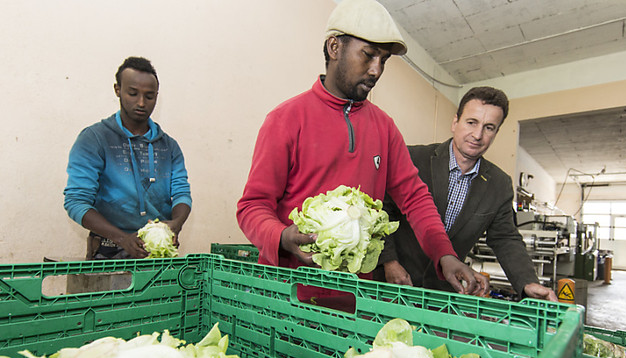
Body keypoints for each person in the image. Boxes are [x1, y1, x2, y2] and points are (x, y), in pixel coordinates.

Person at [236, 0, 487, 309]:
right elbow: (251, 207)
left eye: (384, 60)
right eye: (368, 55)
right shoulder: (286, 119)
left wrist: (444, 254)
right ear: (334, 47)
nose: (376, 70)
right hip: (287, 294)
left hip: (355, 298)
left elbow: (415, 198)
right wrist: (282, 237)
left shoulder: (384, 127)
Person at [378, 86, 557, 301]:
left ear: (496, 133)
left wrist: (527, 282)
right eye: (471, 122)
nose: (478, 135)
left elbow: (505, 238)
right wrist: (389, 261)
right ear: (455, 122)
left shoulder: (499, 184)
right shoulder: (413, 158)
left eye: (489, 127)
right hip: (390, 282)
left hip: (443, 293)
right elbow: (381, 211)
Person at [64, 56, 192, 259]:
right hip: (107, 252)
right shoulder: (94, 139)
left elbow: (182, 194)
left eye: (149, 96)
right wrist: (123, 239)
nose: (141, 102)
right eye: (133, 93)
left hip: (157, 254)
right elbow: (76, 202)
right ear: (118, 90)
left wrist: (176, 223)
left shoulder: (169, 147)